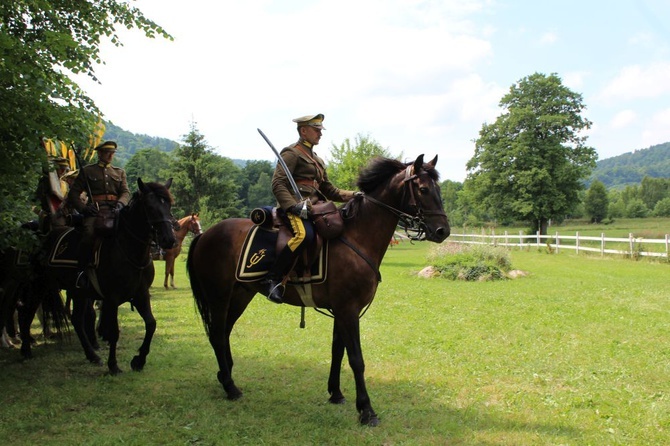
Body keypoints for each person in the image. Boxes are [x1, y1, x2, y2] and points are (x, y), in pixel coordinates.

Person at [265, 113, 357, 304]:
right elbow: (278, 184)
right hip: (294, 208)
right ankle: (274, 279)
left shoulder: (317, 160)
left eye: (320, 130)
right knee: (303, 236)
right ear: (303, 131)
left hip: (315, 208)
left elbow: (329, 190)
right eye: (316, 130)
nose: (320, 134)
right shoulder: (291, 153)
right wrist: (293, 206)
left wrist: (354, 194)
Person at [66, 141, 130, 289]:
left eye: (112, 152)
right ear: (100, 153)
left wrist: (121, 204)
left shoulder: (119, 172)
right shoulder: (88, 171)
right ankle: (82, 271)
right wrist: (84, 209)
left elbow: (125, 192)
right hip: (95, 211)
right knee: (88, 234)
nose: (110, 155)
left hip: (116, 211)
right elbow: (74, 194)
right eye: (107, 152)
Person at [34, 156, 71, 232]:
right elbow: (37, 200)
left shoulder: (65, 184)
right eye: (60, 168)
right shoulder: (45, 183)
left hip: (64, 214)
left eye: (64, 169)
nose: (63, 171)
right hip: (48, 214)